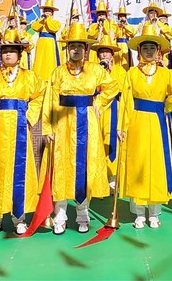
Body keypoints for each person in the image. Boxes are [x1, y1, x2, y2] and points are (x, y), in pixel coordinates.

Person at [41, 21, 120, 234]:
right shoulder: (58, 72)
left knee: (85, 165)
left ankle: (83, 213)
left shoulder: (94, 70)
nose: (76, 49)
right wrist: (48, 127)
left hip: (88, 122)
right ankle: (60, 213)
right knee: (62, 166)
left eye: (80, 46)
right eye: (72, 46)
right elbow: (50, 99)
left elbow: (113, 86)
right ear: (67, 49)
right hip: (63, 122)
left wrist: (98, 103)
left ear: (86, 50)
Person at [0, 29, 44, 236]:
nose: (7, 55)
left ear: (20, 55)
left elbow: (40, 96)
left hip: (19, 128)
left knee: (18, 171)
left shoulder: (30, 77)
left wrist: (29, 117)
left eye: (12, 51)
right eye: (4, 51)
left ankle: (18, 217)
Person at [119, 24, 172, 228]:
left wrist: (167, 106)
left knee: (157, 164)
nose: (148, 52)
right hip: (137, 121)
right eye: (145, 48)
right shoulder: (131, 73)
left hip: (158, 121)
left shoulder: (166, 74)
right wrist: (122, 127)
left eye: (152, 48)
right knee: (138, 163)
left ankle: (154, 212)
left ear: (158, 51)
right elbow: (125, 100)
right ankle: (139, 212)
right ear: (139, 51)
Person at [93, 35, 127, 187]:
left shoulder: (120, 70)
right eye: (102, 52)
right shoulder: (93, 69)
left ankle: (112, 176)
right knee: (97, 138)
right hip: (97, 106)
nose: (105, 55)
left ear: (112, 55)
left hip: (113, 106)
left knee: (111, 138)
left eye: (107, 52)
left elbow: (122, 88)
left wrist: (111, 71)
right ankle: (97, 177)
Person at [30, 0, 62, 81]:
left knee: (50, 61)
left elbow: (53, 28)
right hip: (41, 43)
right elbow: (34, 27)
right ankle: (38, 76)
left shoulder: (56, 22)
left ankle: (51, 77)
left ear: (52, 13)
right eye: (45, 11)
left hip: (50, 43)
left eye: (49, 11)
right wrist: (42, 20)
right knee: (39, 60)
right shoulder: (41, 21)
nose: (47, 13)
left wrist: (48, 19)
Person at [88, 0, 117, 65]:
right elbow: (92, 35)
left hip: (105, 50)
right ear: (96, 16)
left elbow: (110, 34)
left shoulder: (110, 25)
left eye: (103, 14)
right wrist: (98, 27)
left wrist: (104, 25)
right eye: (99, 14)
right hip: (94, 50)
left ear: (106, 15)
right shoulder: (93, 26)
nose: (101, 16)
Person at [114, 4, 135, 69]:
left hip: (126, 46)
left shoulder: (128, 26)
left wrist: (125, 26)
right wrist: (119, 26)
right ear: (118, 18)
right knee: (117, 63)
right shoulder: (115, 26)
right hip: (117, 46)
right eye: (120, 16)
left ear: (126, 18)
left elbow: (133, 33)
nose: (122, 18)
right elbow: (114, 35)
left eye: (123, 16)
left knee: (126, 63)